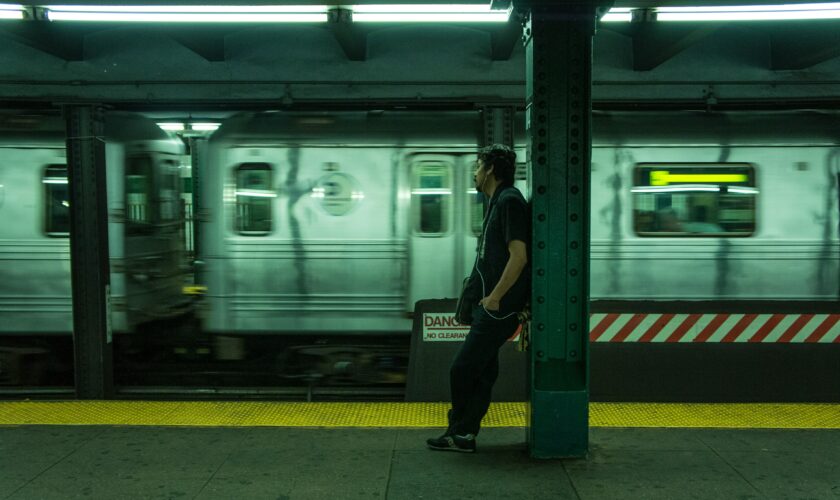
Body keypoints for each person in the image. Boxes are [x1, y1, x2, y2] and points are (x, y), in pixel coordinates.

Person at [427, 144, 530, 453]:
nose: (474, 172)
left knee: (461, 369)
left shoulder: (509, 201)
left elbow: (519, 256)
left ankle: (458, 431)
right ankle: (463, 435)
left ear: (489, 170)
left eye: (477, 166)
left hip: (499, 308)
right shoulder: (498, 201)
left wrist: (495, 298)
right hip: (496, 305)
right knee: (484, 371)